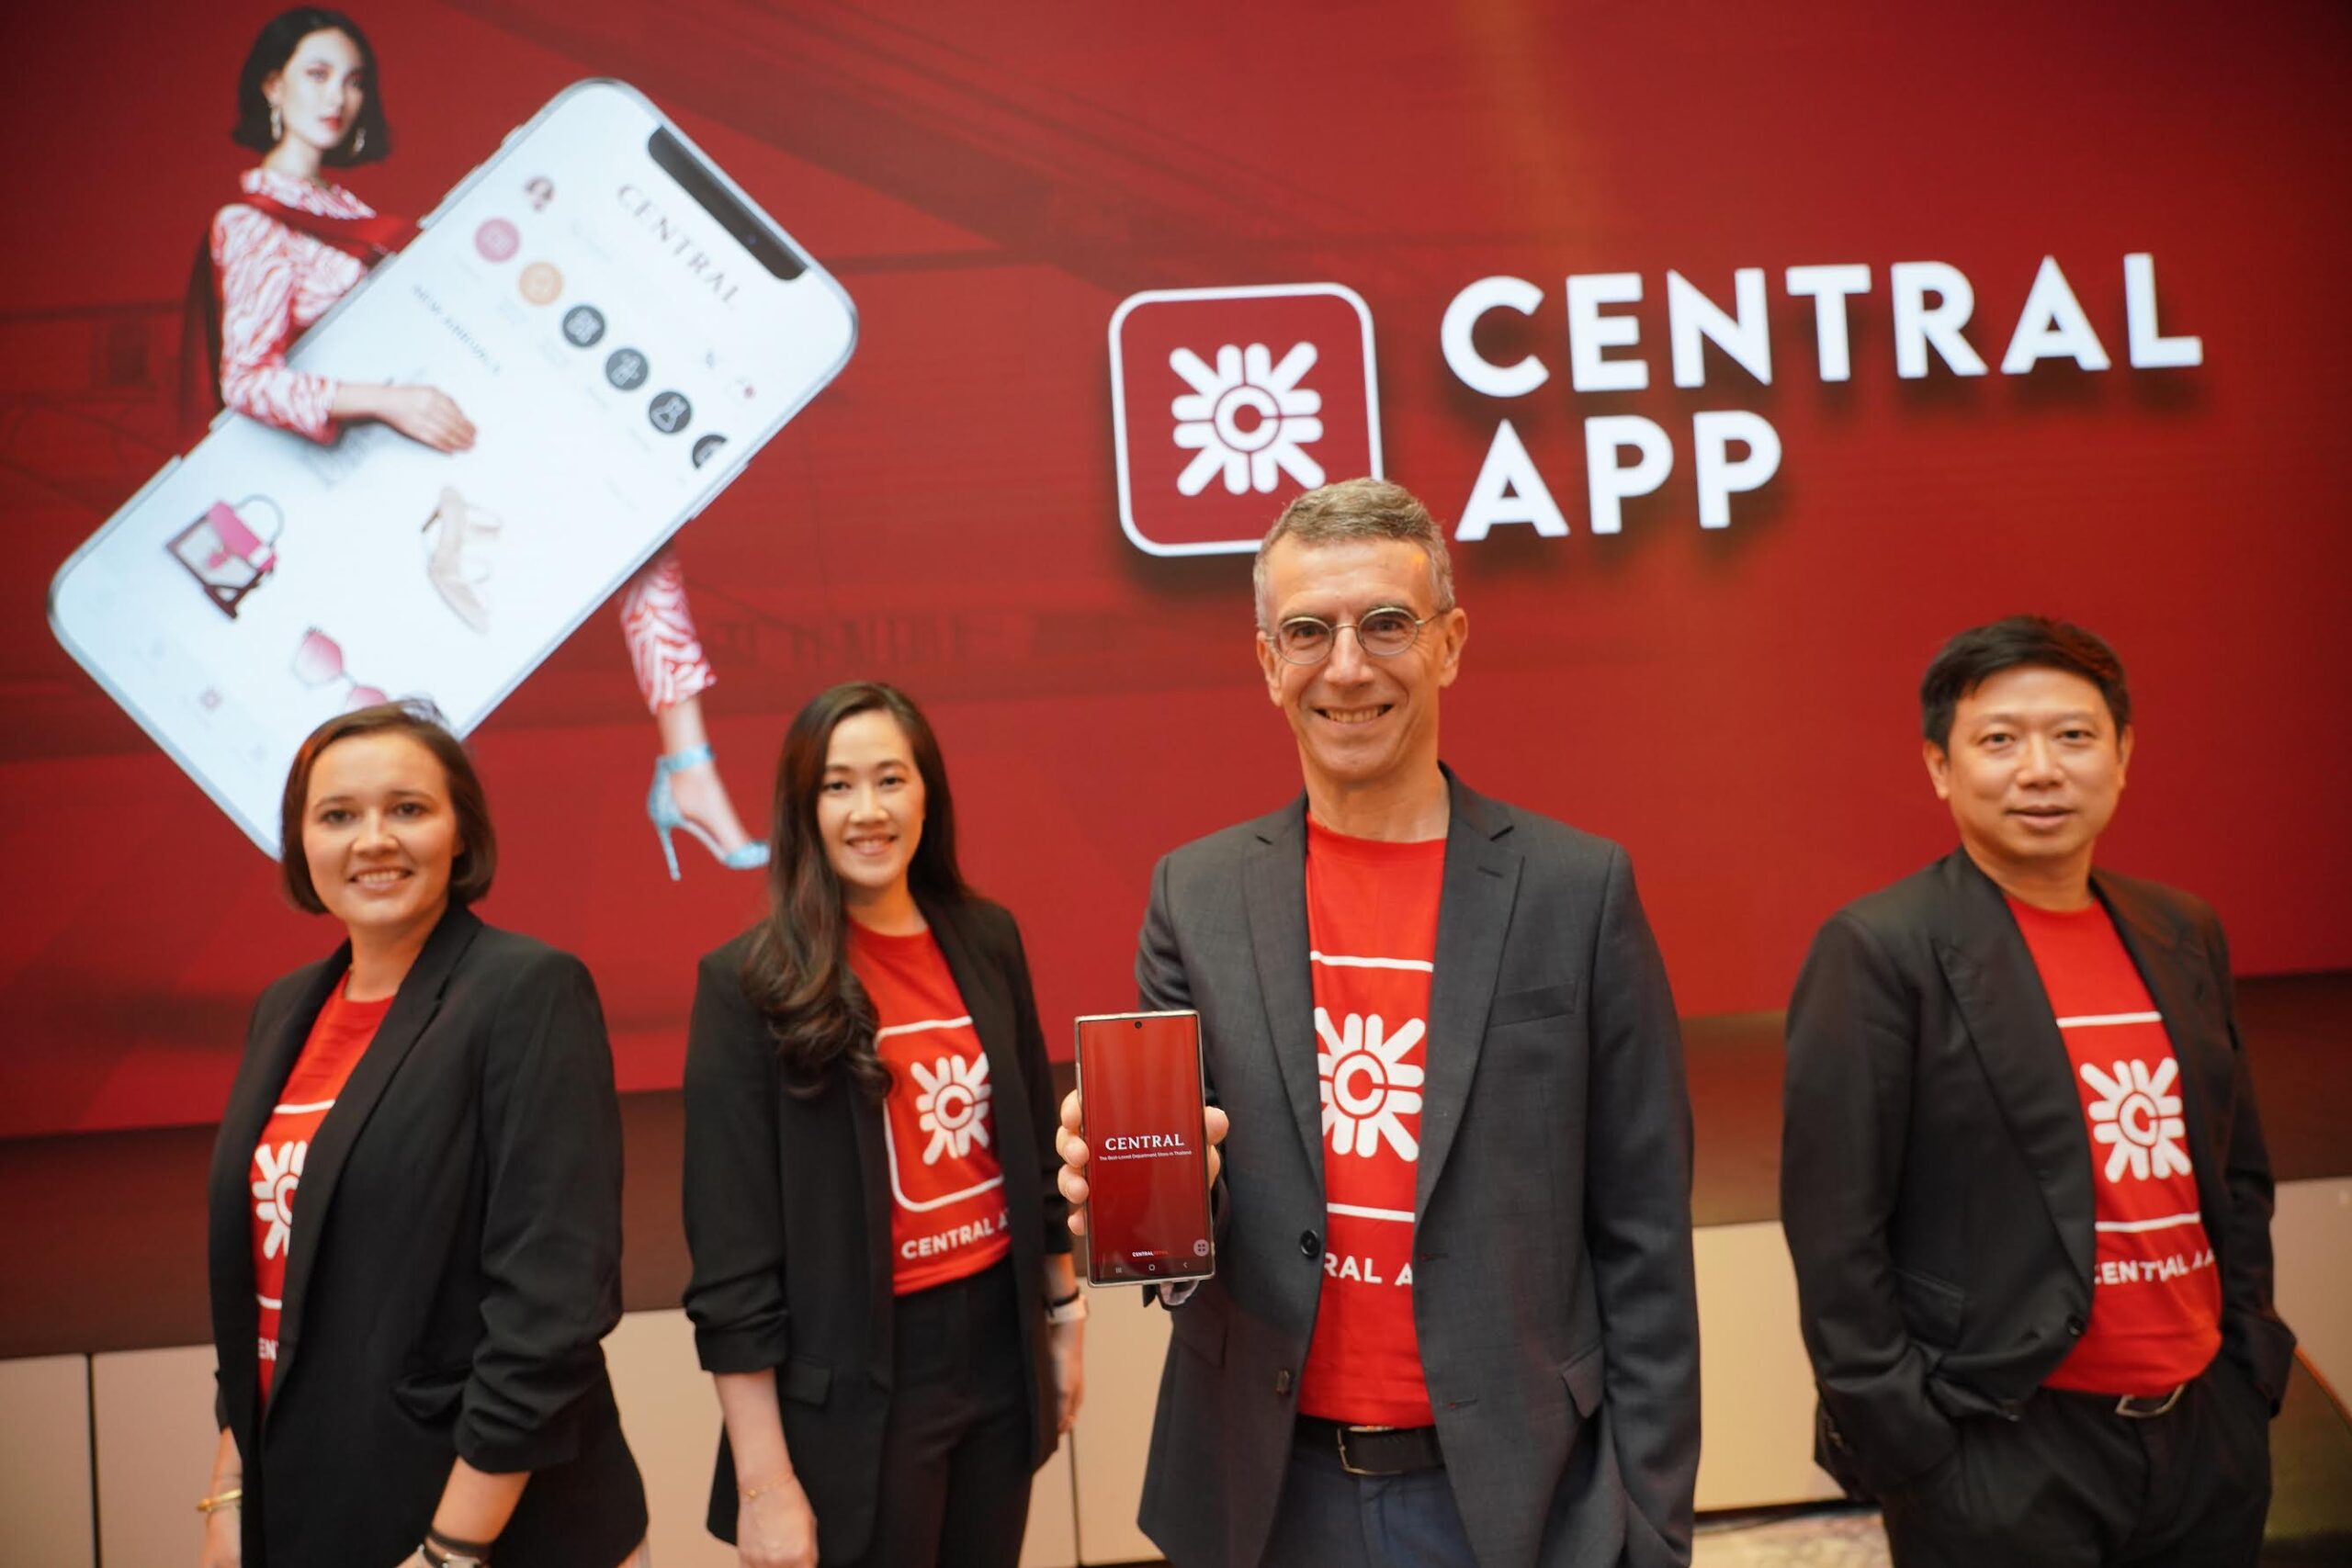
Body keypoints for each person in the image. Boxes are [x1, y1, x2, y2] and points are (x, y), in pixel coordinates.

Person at [1056, 479, 1701, 1568]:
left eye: (1387, 624)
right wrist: (1129, 1196)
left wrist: (1646, 1524)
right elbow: (1172, 1247)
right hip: (1264, 1494)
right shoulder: (1194, 896)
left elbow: (1644, 1234)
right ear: (1268, 662)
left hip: (1520, 1492)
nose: (1347, 667)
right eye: (1308, 632)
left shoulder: (1575, 891)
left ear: (1449, 644)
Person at [193, 7, 766, 879]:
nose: (339, 97)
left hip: (442, 449)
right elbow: (247, 378)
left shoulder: (339, 208)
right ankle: (682, 776)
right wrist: (388, 401)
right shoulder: (253, 222)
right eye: (316, 74)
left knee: (643, 527)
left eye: (354, 80)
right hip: (379, 477)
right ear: (272, 85)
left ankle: (689, 768)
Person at [1780, 615, 2294, 1566]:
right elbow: (1835, 1231)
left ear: (2122, 754)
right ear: (1940, 767)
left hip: (2205, 1431)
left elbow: (2238, 1172)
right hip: (2002, 1444)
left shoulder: (2182, 929)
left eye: (2073, 735)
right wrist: (1913, 1448)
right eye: (1999, 740)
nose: (2041, 770)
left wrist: (2249, 1362)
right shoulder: (1880, 951)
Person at [198, 700, 647, 1568]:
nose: (373, 840)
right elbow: (262, 1296)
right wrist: (230, 1490)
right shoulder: (284, 1010)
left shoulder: (529, 991)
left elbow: (550, 1310)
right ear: (302, 843)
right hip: (312, 1505)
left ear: (460, 831)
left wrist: (451, 1549)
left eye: (407, 808)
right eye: (338, 815)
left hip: (498, 1526)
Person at [682, 681, 1082, 1568]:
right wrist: (764, 1483)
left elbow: (1032, 1155)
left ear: (926, 793)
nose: (869, 810)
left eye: (890, 779)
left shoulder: (987, 936)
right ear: (804, 809)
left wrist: (1063, 1320)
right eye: (838, 785)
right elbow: (732, 1273)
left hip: (1000, 1353)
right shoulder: (748, 986)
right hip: (860, 1386)